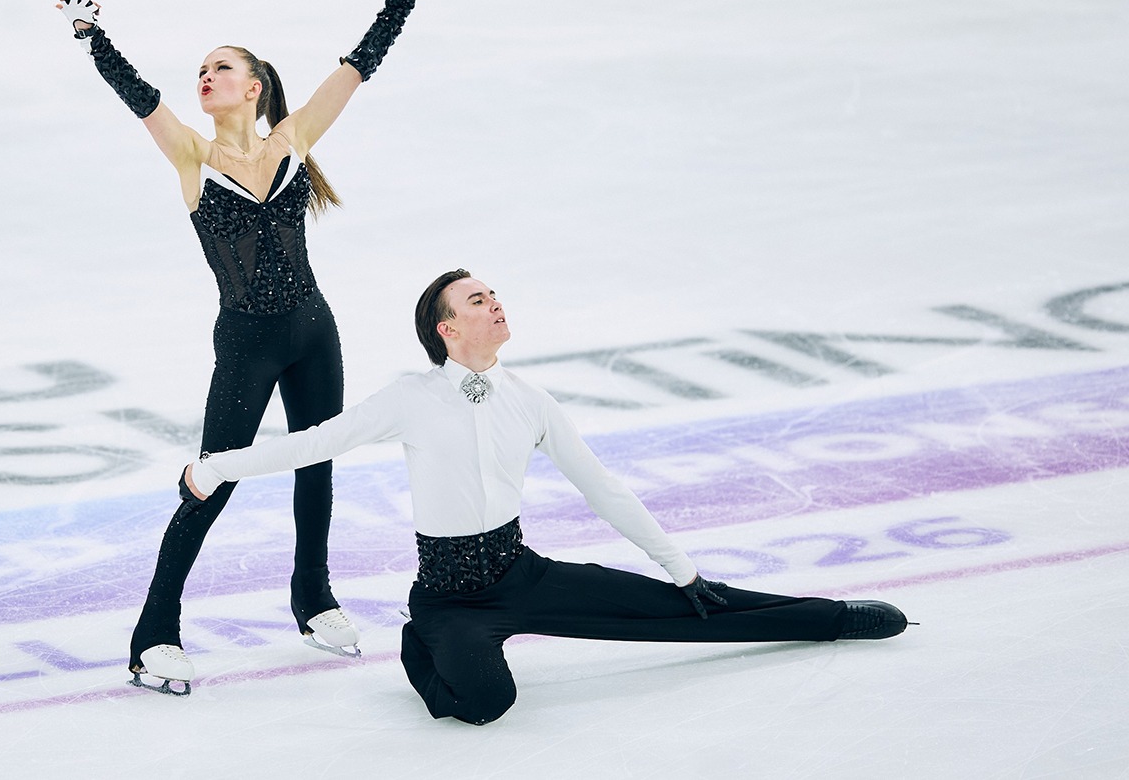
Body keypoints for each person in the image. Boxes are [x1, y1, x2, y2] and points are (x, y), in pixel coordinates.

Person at [184, 269, 911, 721]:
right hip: (449, 598)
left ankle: (832, 618)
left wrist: (679, 566)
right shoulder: (410, 398)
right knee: (485, 703)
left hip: (522, 573)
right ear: (448, 328)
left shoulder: (529, 399)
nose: (496, 304)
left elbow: (602, 487)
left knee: (691, 606)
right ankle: (419, 644)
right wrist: (219, 466)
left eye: (496, 294)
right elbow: (316, 441)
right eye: (479, 300)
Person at [56, 0, 429, 694]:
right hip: (248, 341)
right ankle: (153, 633)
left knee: (316, 459)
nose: (206, 75)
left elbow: (356, 70)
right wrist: (91, 33)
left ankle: (313, 596)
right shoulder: (191, 157)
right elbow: (138, 97)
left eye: (221, 66)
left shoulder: (294, 141)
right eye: (201, 70)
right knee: (214, 477)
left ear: (255, 88)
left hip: (312, 330)